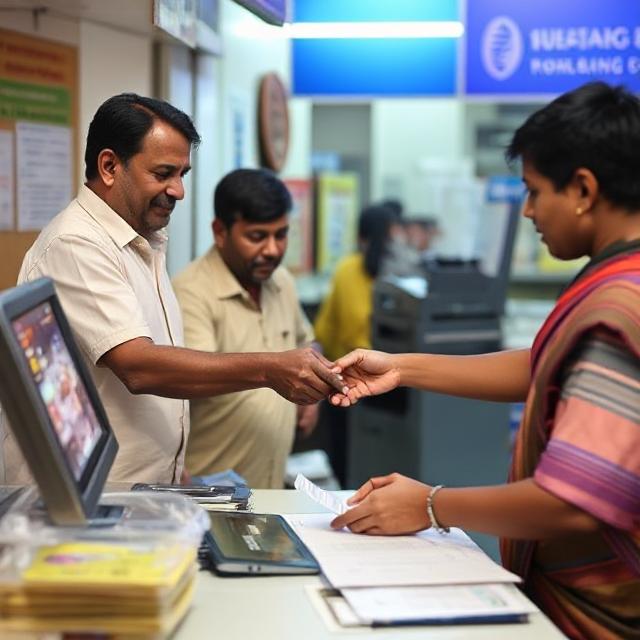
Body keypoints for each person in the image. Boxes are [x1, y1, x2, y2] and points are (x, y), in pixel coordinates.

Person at [330, 82, 640, 639]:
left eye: (534, 190)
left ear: (584, 190)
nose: (526, 211)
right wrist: (401, 367)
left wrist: (429, 506)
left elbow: (575, 500)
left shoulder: (620, 304)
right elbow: (544, 365)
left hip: (599, 613)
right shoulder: (620, 279)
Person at [2, 93, 346, 485]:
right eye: (163, 173)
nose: (178, 190)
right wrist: (270, 369)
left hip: (139, 493)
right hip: (96, 497)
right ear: (110, 166)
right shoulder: (76, 244)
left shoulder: (143, 241)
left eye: (182, 174)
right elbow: (137, 366)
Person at [172, 168, 318, 488]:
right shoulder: (191, 292)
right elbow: (196, 376)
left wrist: (313, 398)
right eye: (257, 236)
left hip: (269, 486)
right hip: (209, 493)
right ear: (220, 231)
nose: (272, 250)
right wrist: (272, 370)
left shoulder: (281, 282)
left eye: (280, 235)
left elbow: (307, 341)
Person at [313, 204, 396, 485]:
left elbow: (324, 329)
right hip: (390, 387)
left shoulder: (346, 269)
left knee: (345, 462)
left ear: (361, 236)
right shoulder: (398, 272)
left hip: (344, 382)